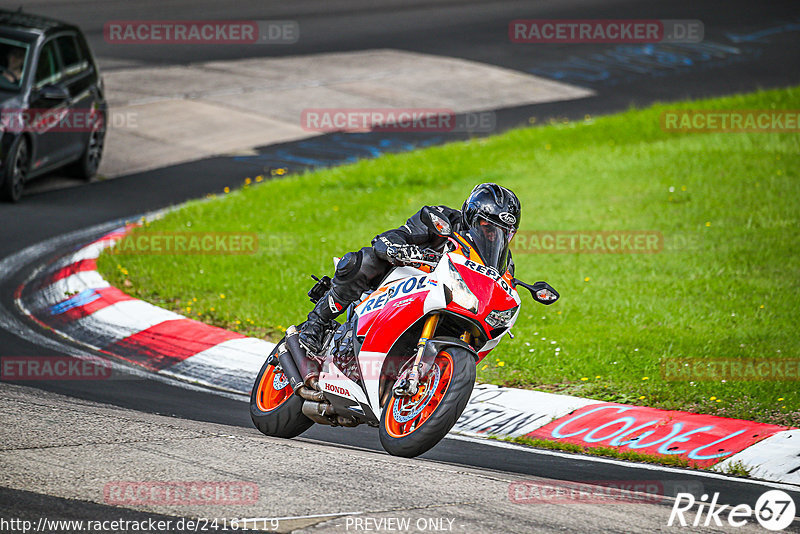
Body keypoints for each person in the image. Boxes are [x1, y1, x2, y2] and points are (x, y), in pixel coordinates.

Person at [298, 182, 521, 355]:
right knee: (364, 261)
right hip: (406, 280)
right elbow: (397, 235)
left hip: (452, 301)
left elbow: (501, 285)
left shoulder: (503, 260)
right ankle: (316, 323)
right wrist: (398, 248)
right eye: (487, 225)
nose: (494, 234)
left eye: (504, 231)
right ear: (471, 217)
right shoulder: (443, 219)